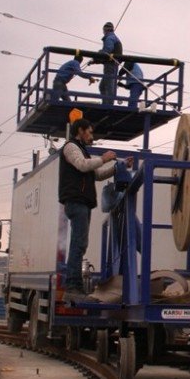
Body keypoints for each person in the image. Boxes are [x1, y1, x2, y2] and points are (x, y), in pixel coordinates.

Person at [58, 117, 132, 302]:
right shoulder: (71, 147)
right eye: (89, 132)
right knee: (78, 244)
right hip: (76, 202)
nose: (92, 136)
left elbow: (96, 175)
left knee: (80, 243)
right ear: (81, 131)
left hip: (82, 202)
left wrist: (116, 168)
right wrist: (103, 158)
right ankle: (73, 287)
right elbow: (83, 166)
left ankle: (75, 287)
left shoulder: (82, 150)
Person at [88, 21, 122, 106]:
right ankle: (105, 103)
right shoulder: (113, 37)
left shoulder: (110, 38)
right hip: (111, 63)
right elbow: (105, 55)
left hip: (111, 64)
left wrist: (97, 55)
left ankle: (109, 104)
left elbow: (107, 51)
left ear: (105, 30)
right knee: (102, 86)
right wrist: (95, 61)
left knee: (109, 84)